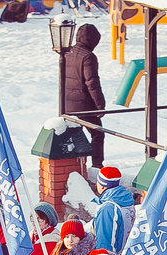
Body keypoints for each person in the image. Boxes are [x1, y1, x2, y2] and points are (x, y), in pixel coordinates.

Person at [63, 23, 105, 167]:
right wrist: (100, 105)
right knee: (98, 134)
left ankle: (74, 164)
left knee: (75, 134)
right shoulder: (88, 57)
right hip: (84, 105)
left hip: (67, 104)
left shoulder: (67, 52)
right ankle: (97, 166)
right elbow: (92, 83)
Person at [90, 166, 134, 254]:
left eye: (98, 182)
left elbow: (105, 242)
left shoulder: (107, 209)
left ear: (102, 186)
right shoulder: (125, 200)